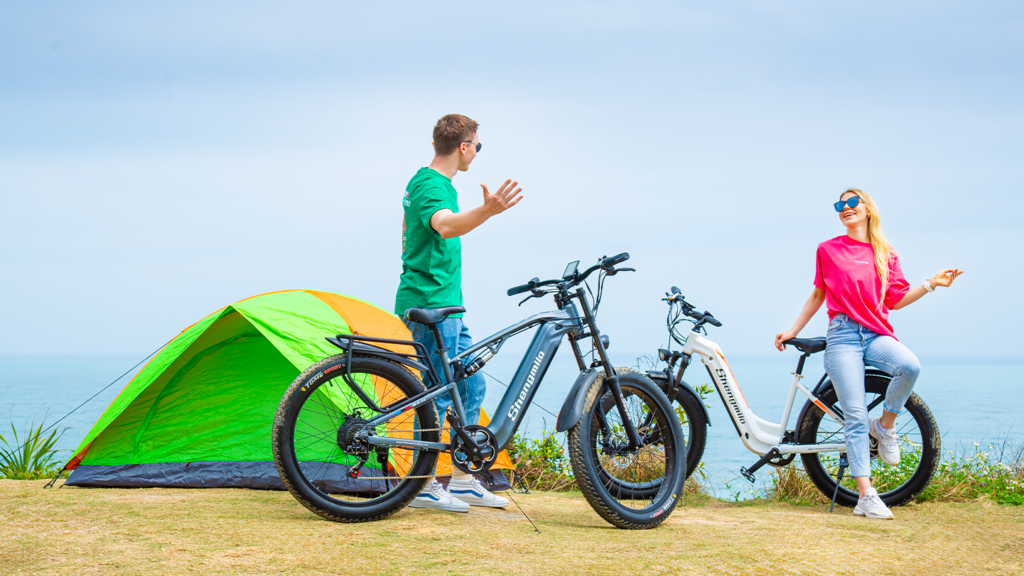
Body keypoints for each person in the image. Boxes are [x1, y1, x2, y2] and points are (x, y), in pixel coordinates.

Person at [774, 188, 962, 520]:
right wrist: (793, 330)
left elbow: (896, 300)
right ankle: (866, 495)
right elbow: (818, 295)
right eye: (839, 205)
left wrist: (932, 284)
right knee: (855, 416)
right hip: (843, 336)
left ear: (867, 210)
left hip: (875, 334)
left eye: (851, 203)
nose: (844, 208)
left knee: (909, 365)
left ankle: (885, 426)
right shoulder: (828, 249)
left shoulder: (885, 253)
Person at [396, 114, 523, 513]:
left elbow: (405, 230)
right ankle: (425, 483)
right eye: (477, 146)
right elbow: (444, 226)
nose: (476, 153)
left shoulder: (426, 183)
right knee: (436, 394)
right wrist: (488, 211)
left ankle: (466, 478)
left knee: (470, 385)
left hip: (446, 302)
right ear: (463, 147)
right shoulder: (433, 185)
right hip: (431, 305)